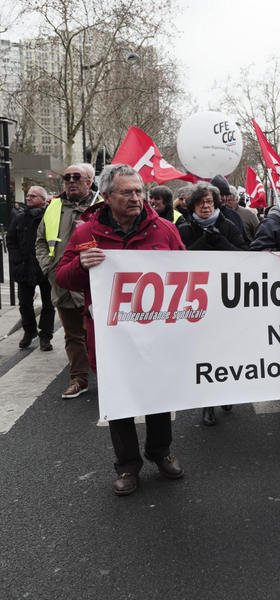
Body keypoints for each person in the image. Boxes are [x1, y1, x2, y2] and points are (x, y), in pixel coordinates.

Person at [55, 164, 186, 496]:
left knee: (159, 396)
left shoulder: (164, 230)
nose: (136, 198)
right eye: (127, 192)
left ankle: (160, 451)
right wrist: (80, 265)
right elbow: (63, 277)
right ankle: (127, 466)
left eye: (139, 191)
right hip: (111, 336)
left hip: (155, 335)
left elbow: (186, 271)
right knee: (119, 401)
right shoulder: (87, 233)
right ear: (109, 196)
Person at [178, 182, 247, 425]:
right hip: (195, 301)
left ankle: (225, 391)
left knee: (225, 350)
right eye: (201, 202)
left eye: (209, 202)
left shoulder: (227, 225)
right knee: (204, 353)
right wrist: (201, 244)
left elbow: (245, 256)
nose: (206, 206)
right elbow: (175, 261)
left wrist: (221, 243)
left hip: (225, 299)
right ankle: (207, 404)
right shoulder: (183, 227)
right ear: (193, 205)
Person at [35, 164, 94, 399]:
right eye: (67, 177)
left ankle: (112, 377)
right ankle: (79, 378)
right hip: (61, 282)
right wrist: (48, 268)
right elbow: (40, 241)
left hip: (91, 285)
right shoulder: (53, 206)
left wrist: (89, 230)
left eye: (76, 177)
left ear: (88, 181)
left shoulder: (100, 206)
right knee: (72, 336)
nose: (70, 181)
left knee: (98, 334)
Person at [7, 186, 55, 351]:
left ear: (43, 199)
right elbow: (11, 240)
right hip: (24, 267)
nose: (28, 198)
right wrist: (16, 259)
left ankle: (45, 336)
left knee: (49, 304)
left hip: (46, 266)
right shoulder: (19, 218)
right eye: (28, 196)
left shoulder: (51, 216)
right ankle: (30, 331)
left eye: (33, 196)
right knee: (24, 303)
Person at [210, 174, 248, 241]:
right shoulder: (202, 216)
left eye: (227, 194)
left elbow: (244, 241)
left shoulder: (235, 216)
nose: (224, 198)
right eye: (221, 194)